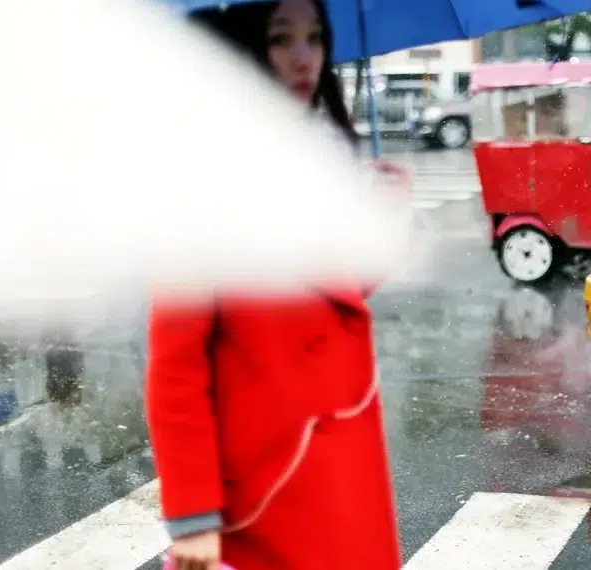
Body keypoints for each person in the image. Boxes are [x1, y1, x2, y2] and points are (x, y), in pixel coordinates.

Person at [147, 1, 404, 569]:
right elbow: (176, 367)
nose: (304, 56)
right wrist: (193, 516)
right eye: (280, 38)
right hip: (263, 491)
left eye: (315, 38)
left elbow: (330, 301)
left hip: (339, 477)